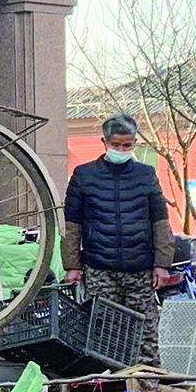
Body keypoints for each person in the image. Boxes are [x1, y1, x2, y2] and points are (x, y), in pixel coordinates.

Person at [62, 114, 174, 367]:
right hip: (100, 269)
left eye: (128, 145)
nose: (122, 150)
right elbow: (72, 225)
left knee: (145, 339)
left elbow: (160, 221)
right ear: (104, 142)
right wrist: (72, 266)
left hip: (140, 269)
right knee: (104, 337)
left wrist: (162, 263)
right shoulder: (83, 175)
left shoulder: (146, 175)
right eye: (116, 145)